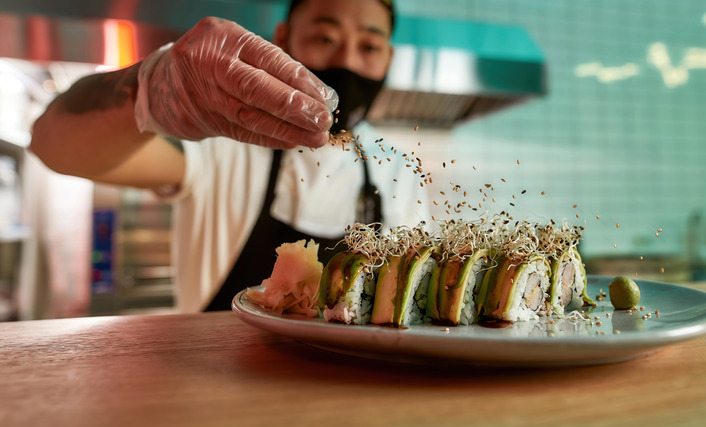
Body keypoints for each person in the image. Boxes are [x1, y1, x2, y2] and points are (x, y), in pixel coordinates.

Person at [29, 0, 429, 312]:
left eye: (370, 46)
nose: (346, 61)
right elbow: (55, 147)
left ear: (388, 59)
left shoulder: (400, 173)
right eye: (325, 39)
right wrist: (146, 90)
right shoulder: (224, 137)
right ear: (284, 39)